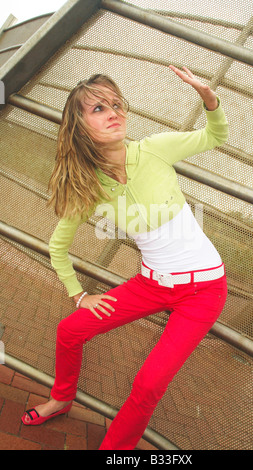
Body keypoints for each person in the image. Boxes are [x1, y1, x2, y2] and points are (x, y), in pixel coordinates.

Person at [21, 66, 228, 450]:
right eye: (99, 108)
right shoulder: (89, 184)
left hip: (203, 291)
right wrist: (79, 295)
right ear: (79, 126)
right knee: (70, 330)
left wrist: (208, 98)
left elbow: (216, 134)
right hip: (151, 285)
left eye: (117, 104)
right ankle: (61, 399)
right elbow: (58, 246)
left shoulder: (154, 148)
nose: (114, 111)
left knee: (148, 385)